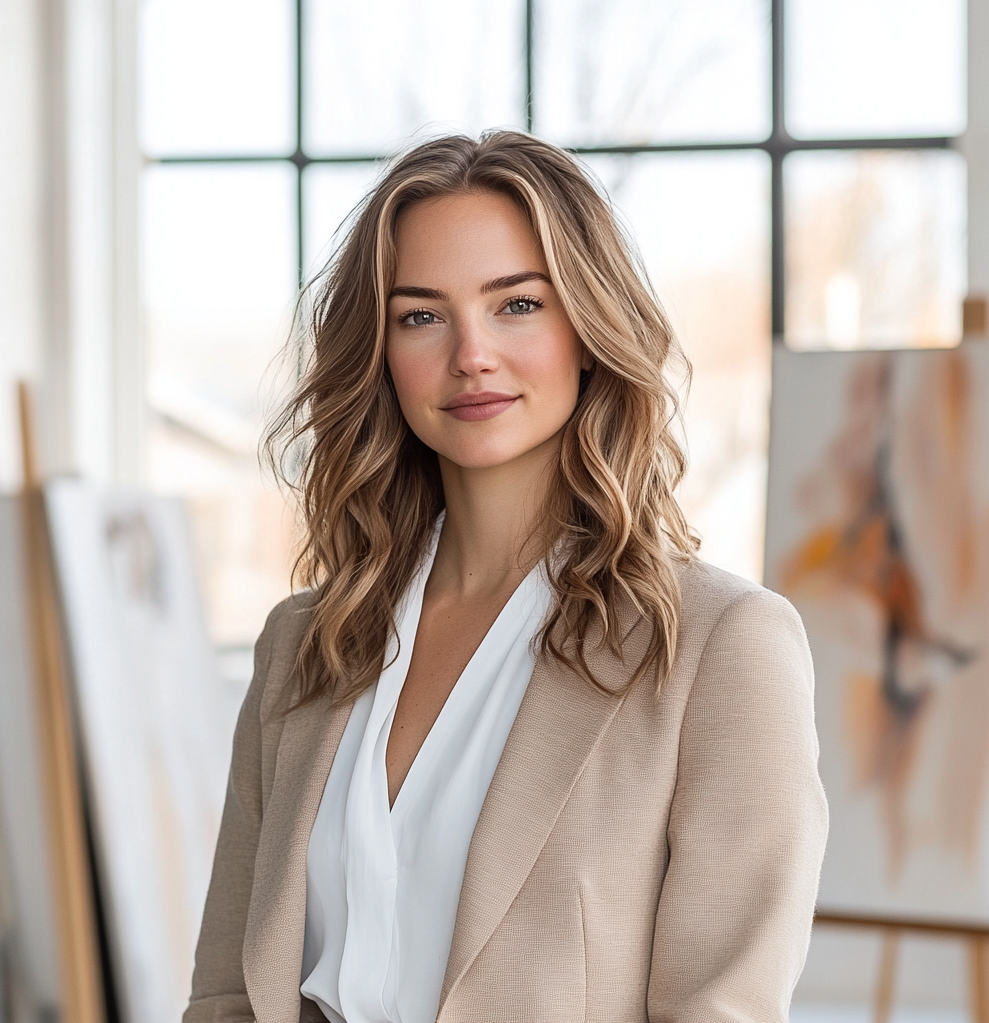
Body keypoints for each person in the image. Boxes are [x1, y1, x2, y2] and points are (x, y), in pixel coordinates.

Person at [184, 131, 828, 1023]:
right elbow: (226, 992)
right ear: (380, 355)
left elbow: (724, 1007)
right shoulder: (304, 644)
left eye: (517, 304)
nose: (471, 354)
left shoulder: (721, 647)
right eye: (421, 315)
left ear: (589, 329)